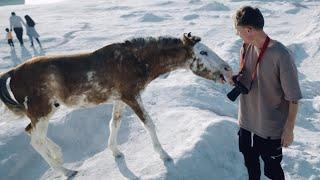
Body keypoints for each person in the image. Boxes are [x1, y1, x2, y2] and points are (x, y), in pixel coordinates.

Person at [232, 6, 302, 180]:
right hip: (247, 124)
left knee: (272, 172)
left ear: (248, 30)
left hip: (270, 129)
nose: (237, 35)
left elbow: (293, 99)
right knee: (251, 167)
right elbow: (248, 79)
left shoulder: (281, 55)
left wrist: (289, 130)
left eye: (238, 31)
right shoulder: (245, 48)